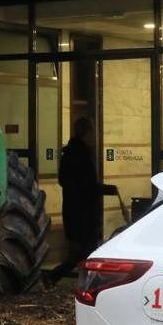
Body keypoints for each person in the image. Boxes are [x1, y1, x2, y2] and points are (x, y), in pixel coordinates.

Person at [50, 117, 102, 284]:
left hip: (73, 211)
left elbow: (64, 180)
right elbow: (89, 185)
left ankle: (78, 281)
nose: (95, 137)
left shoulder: (69, 153)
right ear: (86, 133)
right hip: (84, 214)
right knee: (84, 253)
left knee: (81, 252)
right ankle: (55, 276)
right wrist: (106, 189)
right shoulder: (83, 156)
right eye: (92, 132)